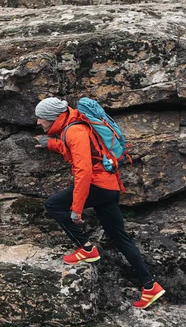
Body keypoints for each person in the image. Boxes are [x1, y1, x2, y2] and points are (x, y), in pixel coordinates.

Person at [33, 97, 165, 309]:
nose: (38, 122)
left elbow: (83, 172)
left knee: (53, 204)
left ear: (53, 117)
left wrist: (76, 209)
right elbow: (79, 149)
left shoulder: (74, 130)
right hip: (109, 186)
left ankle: (85, 249)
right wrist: (51, 144)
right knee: (120, 238)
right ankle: (150, 286)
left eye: (41, 118)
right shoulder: (74, 125)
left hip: (98, 186)